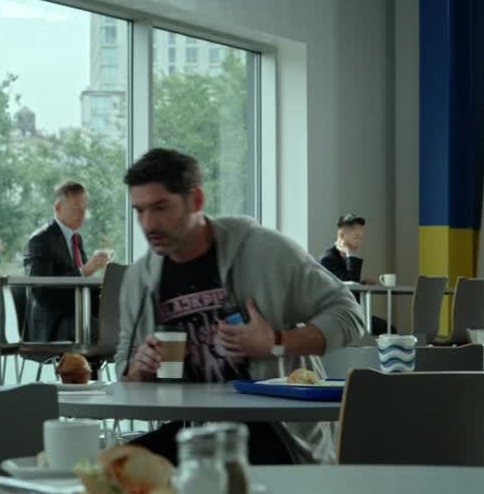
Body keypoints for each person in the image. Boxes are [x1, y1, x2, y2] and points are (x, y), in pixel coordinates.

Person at [114, 149, 367, 464]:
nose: (148, 224)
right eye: (139, 211)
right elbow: (125, 362)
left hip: (275, 430)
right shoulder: (140, 278)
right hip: (195, 428)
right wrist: (138, 368)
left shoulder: (266, 251)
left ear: (196, 200)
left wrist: (276, 342)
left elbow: (350, 315)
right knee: (112, 467)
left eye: (160, 207)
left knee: (210, 472)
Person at [23, 181, 109, 342]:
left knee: (120, 324)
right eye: (76, 208)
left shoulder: (76, 239)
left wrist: (108, 289)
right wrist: (85, 271)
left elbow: (83, 285)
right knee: (100, 331)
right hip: (53, 323)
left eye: (84, 208)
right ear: (58, 207)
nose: (82, 214)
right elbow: (41, 292)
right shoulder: (40, 240)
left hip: (77, 315)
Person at [320, 214, 392, 335]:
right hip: (339, 316)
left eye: (361, 237)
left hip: (352, 312)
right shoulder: (328, 259)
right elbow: (348, 288)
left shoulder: (345, 258)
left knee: (387, 328)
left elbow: (347, 281)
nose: (360, 241)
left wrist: (361, 284)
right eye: (356, 237)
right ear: (342, 235)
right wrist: (351, 255)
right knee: (384, 328)